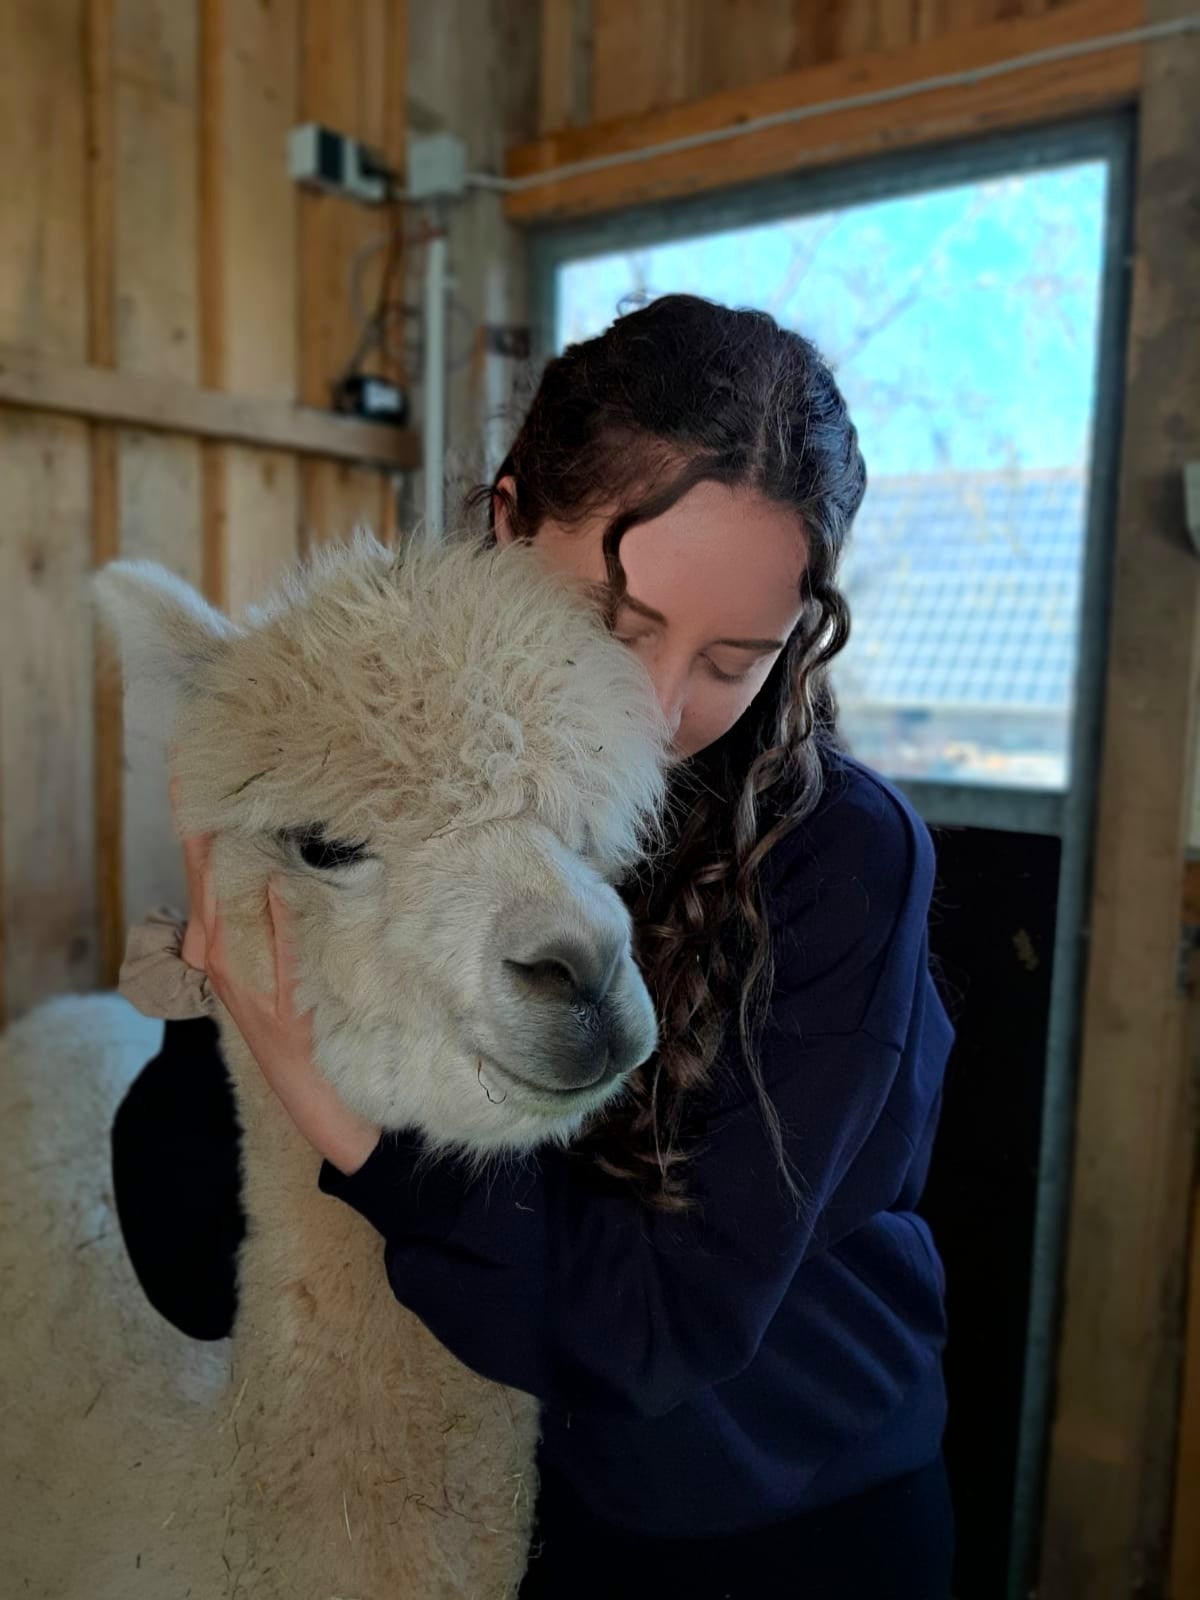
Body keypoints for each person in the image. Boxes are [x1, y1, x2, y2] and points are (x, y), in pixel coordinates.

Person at [111, 294, 955, 1598]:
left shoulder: (843, 859)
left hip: (771, 1521)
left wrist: (327, 1100)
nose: (661, 708)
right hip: (492, 1497)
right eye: (615, 625)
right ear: (508, 522)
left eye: (736, 657)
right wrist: (250, 890)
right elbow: (192, 1262)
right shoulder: (384, 786)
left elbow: (658, 1335)